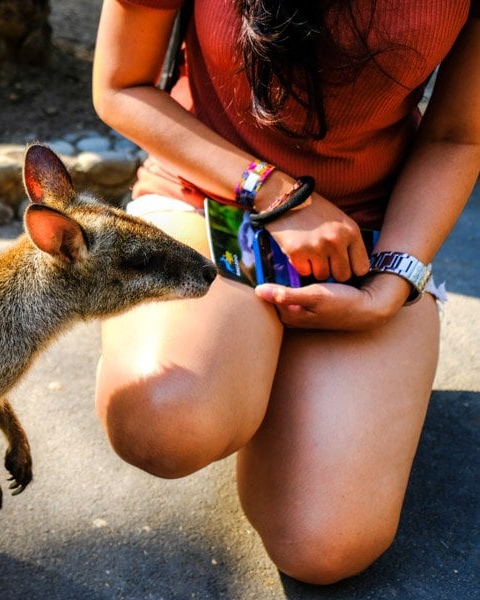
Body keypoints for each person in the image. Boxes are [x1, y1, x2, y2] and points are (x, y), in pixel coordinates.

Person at [91, 0, 479, 585]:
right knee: (163, 421)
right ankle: (250, 367)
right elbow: (121, 85)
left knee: (325, 547)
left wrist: (391, 282)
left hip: (367, 234)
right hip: (208, 198)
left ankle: (277, 376)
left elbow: (457, 136)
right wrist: (274, 193)